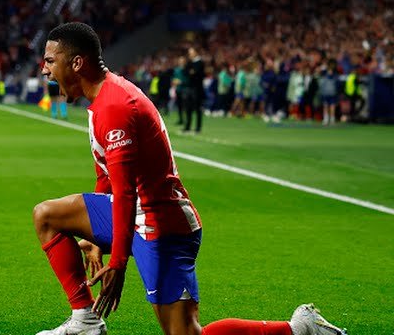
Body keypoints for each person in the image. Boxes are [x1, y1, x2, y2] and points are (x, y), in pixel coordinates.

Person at [33, 22, 345, 335]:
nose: (45, 70)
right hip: (135, 212)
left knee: (185, 333)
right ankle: (85, 320)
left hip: (163, 223)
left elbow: (126, 191)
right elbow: (107, 176)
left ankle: (299, 329)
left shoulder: (115, 106)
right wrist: (93, 238)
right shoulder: (102, 98)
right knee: (47, 215)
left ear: (77, 63)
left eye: (50, 61)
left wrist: (117, 263)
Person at [183, 47, 204, 133]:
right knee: (188, 108)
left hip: (197, 88)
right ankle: (187, 127)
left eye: (191, 53)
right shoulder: (190, 62)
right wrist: (191, 72)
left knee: (198, 108)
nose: (190, 54)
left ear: (196, 53)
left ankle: (198, 128)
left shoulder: (200, 62)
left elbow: (196, 74)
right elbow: (185, 72)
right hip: (190, 88)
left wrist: (191, 72)